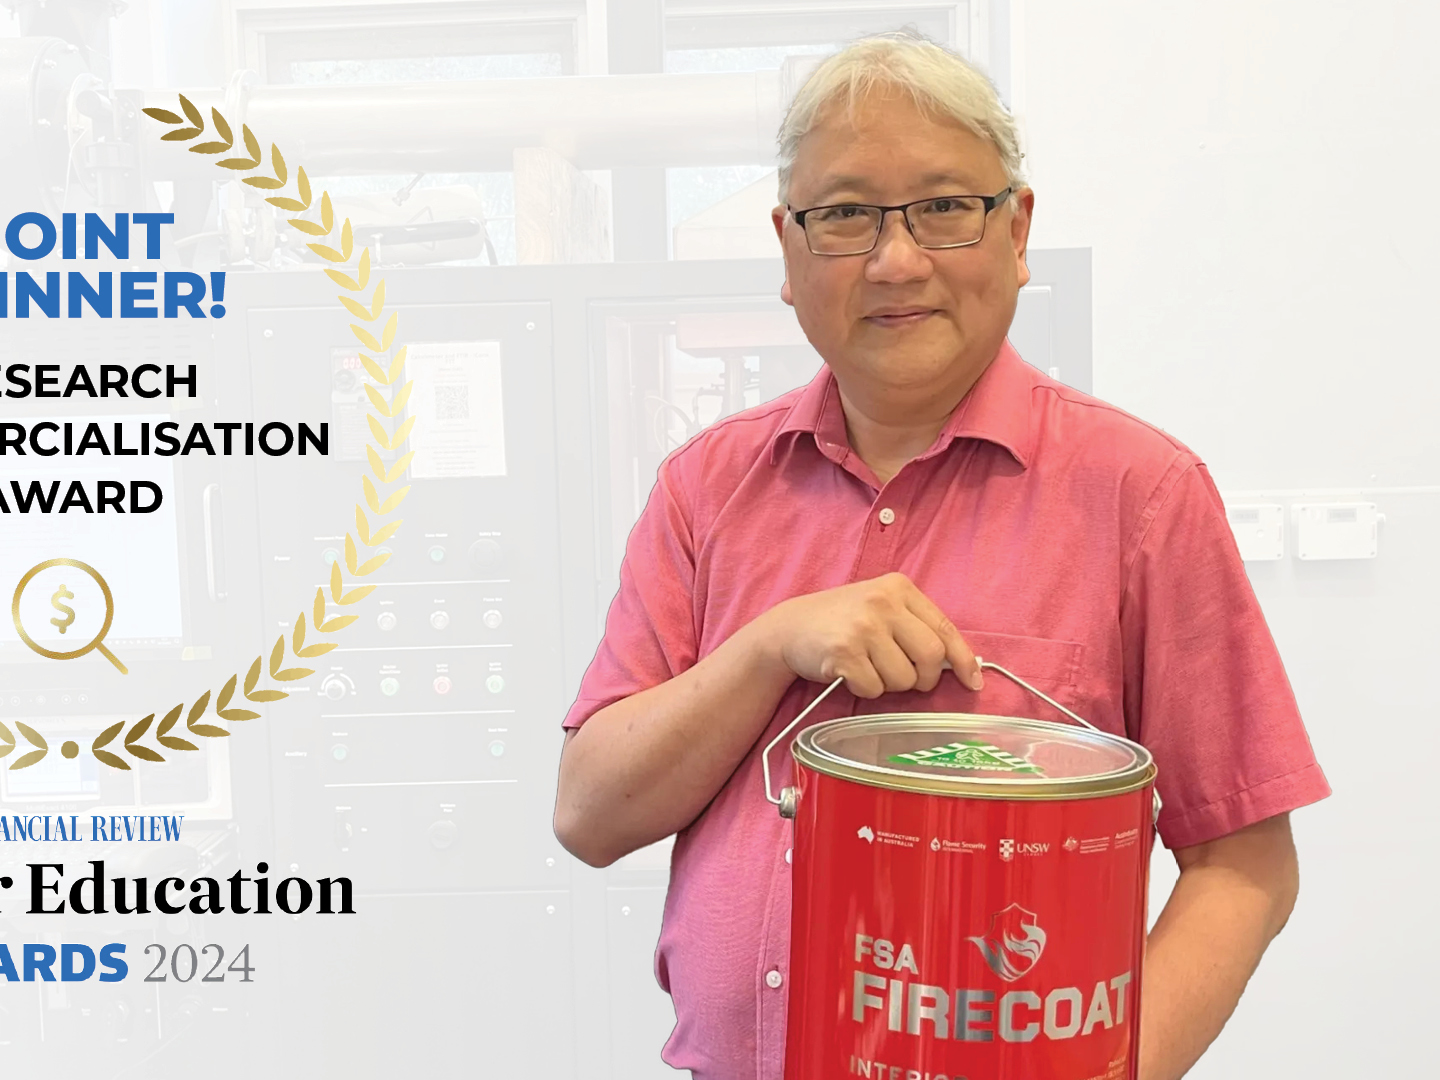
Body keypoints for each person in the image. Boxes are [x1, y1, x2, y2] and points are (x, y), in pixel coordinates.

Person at [553, 31, 1329, 1080]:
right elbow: (591, 814)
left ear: (1017, 231)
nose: (896, 258)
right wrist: (769, 649)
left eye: (945, 206)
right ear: (790, 250)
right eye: (847, 215)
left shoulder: (1140, 495)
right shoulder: (707, 487)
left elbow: (1243, 864)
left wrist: (1108, 1070)